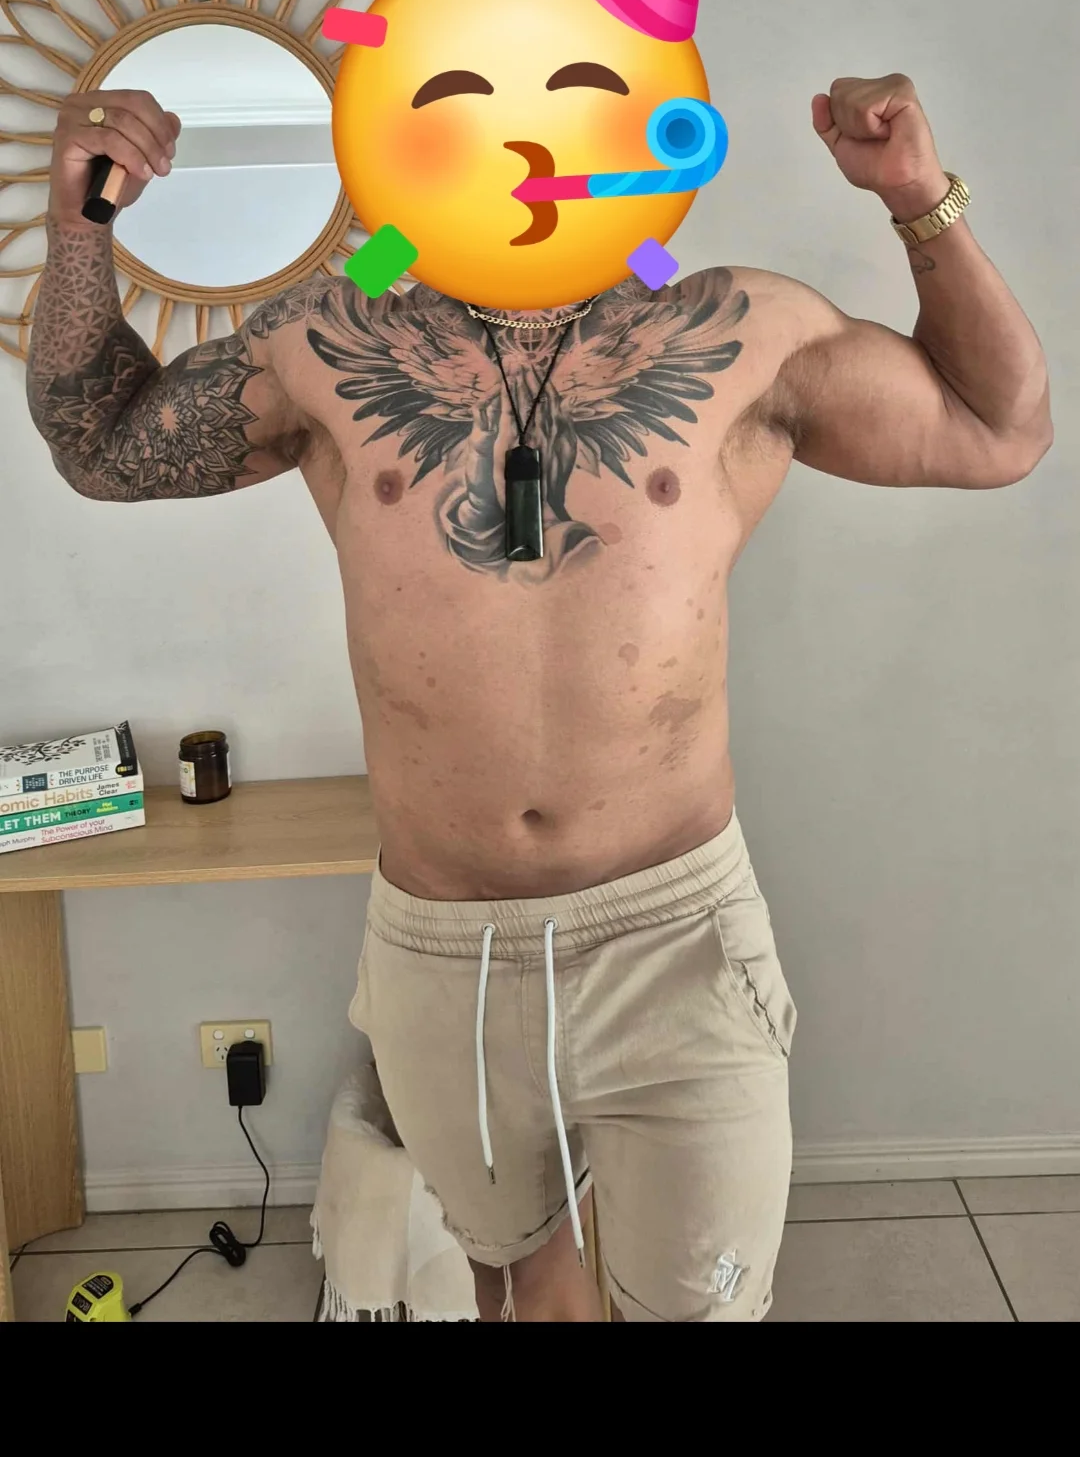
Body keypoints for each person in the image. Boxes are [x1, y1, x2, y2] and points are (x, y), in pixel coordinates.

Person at [27, 73, 1051, 1322]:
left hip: (672, 933)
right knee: (521, 1289)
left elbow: (1000, 428)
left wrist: (917, 198)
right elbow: (102, 446)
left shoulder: (732, 329)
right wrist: (78, 226)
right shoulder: (333, 339)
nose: (518, 144)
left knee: (701, 1307)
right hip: (443, 946)